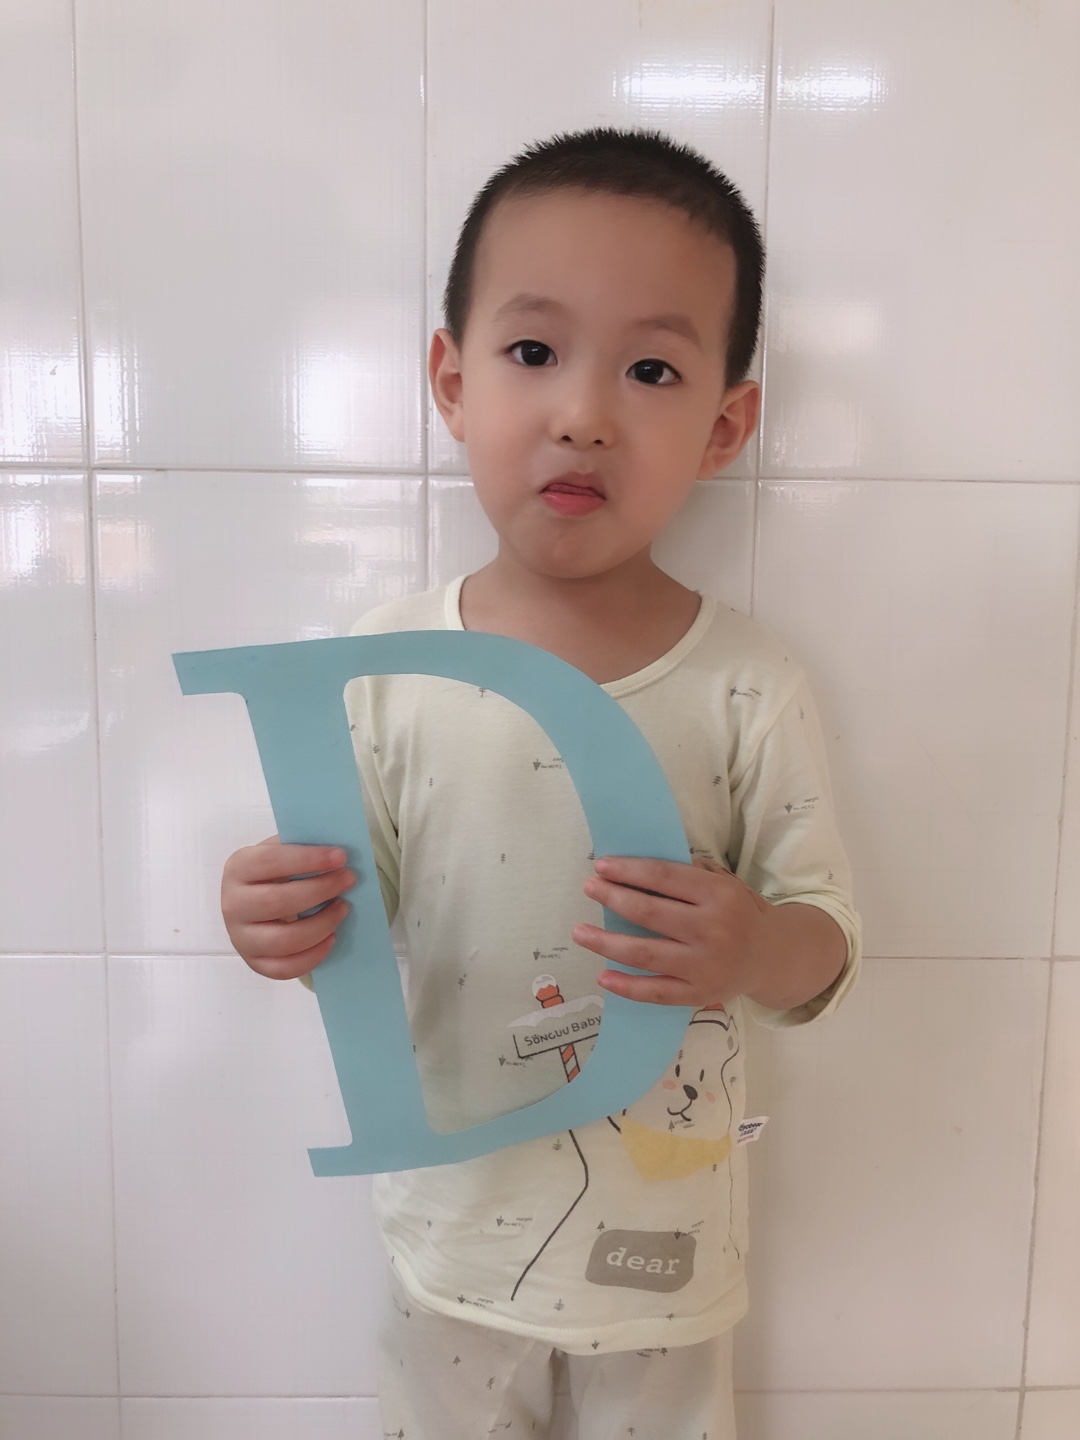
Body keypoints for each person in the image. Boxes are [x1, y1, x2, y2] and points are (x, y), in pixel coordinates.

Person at [220, 127, 861, 1440]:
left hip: (668, 1254)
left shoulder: (748, 682)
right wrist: (274, 917)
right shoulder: (382, 670)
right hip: (454, 1237)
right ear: (452, 384)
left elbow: (826, 949)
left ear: (725, 425)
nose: (582, 413)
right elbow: (347, 918)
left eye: (650, 368)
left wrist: (754, 944)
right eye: (532, 353)